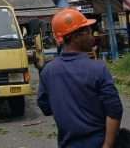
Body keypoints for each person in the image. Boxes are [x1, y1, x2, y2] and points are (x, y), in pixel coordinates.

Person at [37, 8, 123, 148]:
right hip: (99, 142)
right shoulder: (98, 69)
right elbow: (114, 110)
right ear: (75, 37)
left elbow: (45, 106)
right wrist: (107, 145)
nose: (92, 36)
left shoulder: (48, 71)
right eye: (88, 32)